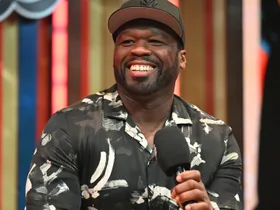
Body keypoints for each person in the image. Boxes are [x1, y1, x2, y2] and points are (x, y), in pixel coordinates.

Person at [25, 0, 243, 209]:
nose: (138, 50)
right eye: (127, 42)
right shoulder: (69, 128)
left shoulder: (217, 139)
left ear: (182, 59)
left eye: (156, 41)